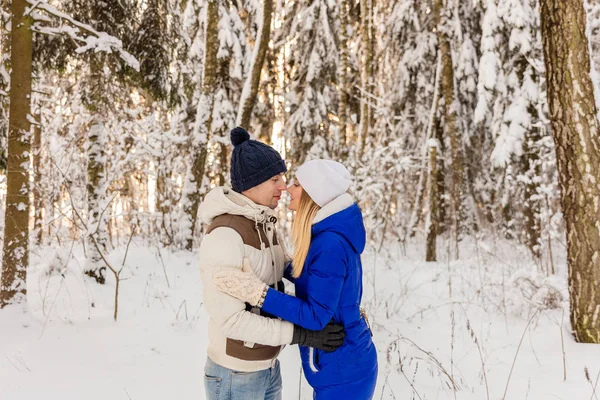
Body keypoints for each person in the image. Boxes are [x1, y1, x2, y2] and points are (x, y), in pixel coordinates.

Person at [197, 128, 345, 400]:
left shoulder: (264, 224)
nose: (284, 187)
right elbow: (232, 320)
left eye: (284, 178)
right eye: (275, 179)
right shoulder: (226, 235)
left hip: (266, 366)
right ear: (251, 184)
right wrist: (301, 334)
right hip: (235, 374)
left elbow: (280, 270)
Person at [214, 159, 378, 399]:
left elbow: (316, 315)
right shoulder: (328, 235)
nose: (288, 189)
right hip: (344, 362)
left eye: (298, 185)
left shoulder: (329, 244)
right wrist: (281, 262)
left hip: (344, 370)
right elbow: (317, 278)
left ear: (314, 196)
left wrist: (258, 294)